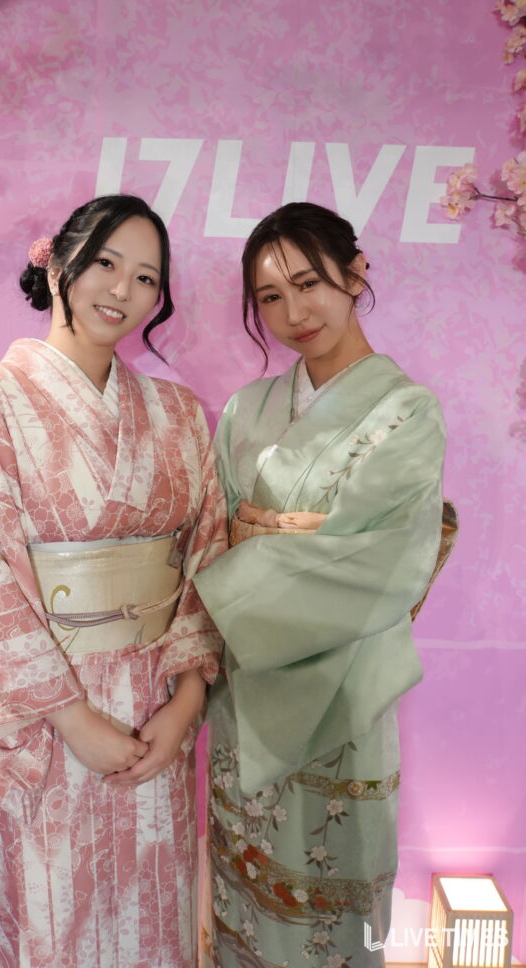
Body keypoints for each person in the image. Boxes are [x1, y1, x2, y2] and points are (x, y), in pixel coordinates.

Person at [0, 194, 227, 968]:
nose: (122, 291)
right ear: (56, 262)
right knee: (56, 920)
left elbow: (208, 561)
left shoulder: (181, 415)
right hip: (48, 718)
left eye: (147, 278)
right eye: (104, 264)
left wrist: (186, 703)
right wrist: (71, 718)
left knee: (156, 915)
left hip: (153, 710)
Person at [194, 202, 446, 968]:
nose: (292, 313)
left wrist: (257, 538)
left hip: (343, 699)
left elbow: (383, 564)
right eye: (270, 297)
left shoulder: (408, 412)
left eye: (308, 284)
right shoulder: (246, 409)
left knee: (332, 897)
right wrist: (299, 535)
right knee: (243, 895)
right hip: (246, 703)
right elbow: (210, 542)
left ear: (355, 272)